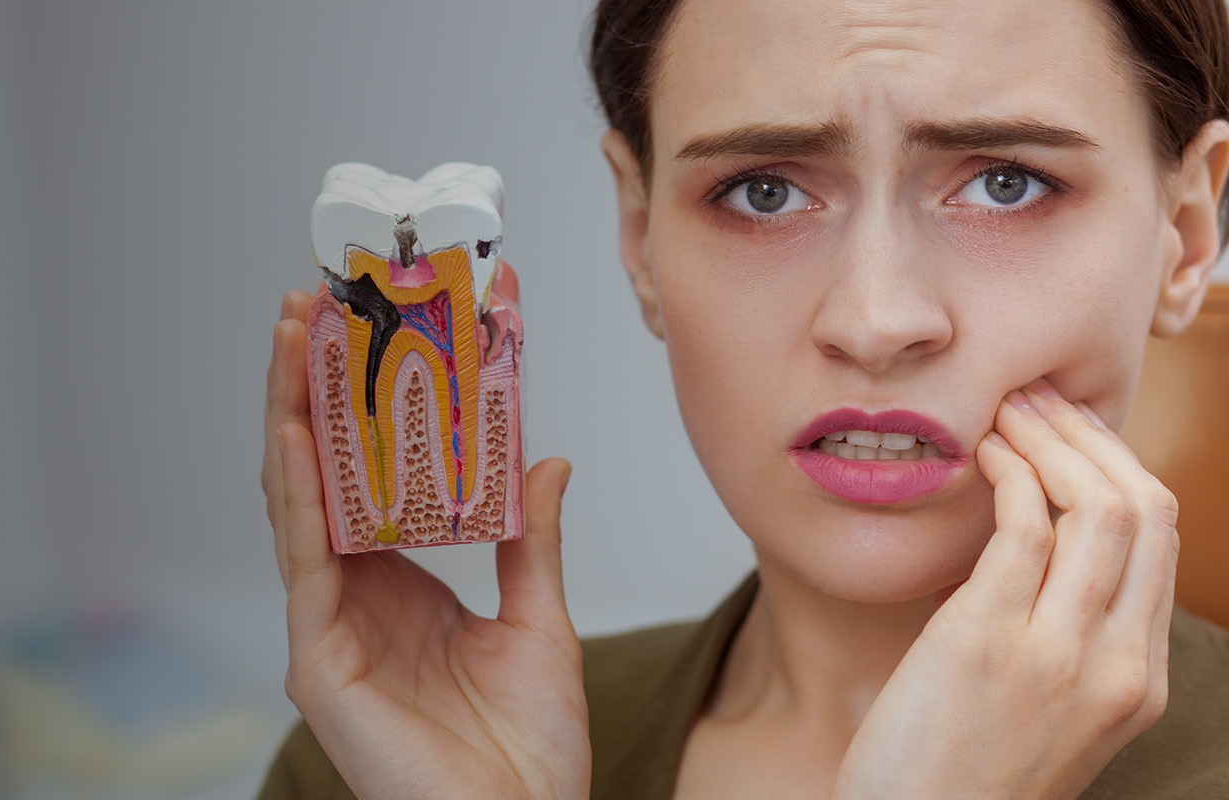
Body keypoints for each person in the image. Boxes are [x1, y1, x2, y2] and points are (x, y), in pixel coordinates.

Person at [257, 0, 1229, 796]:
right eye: (765, 192)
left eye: (1007, 184)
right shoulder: (385, 755)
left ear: (1187, 235)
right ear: (639, 234)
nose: (873, 319)